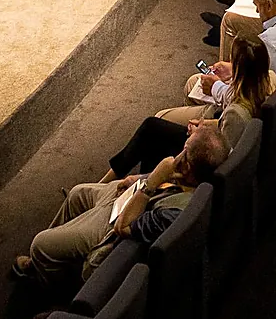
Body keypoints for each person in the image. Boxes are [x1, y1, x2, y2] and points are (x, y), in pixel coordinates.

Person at [12, 121, 229, 284]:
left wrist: (150, 182)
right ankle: (51, 261)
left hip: (115, 224)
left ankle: (51, 285)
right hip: (127, 199)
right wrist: (140, 178)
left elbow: (123, 227)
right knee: (77, 194)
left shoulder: (175, 212)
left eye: (185, 150)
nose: (178, 154)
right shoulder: (190, 179)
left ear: (188, 167)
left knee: (41, 244)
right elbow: (166, 182)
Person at [110, 37, 274, 178]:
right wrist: (206, 125)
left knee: (151, 129)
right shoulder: (266, 85)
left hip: (201, 162)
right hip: (213, 131)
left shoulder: (236, 113)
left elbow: (219, 158)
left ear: (238, 70)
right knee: (153, 130)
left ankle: (118, 178)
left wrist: (198, 134)